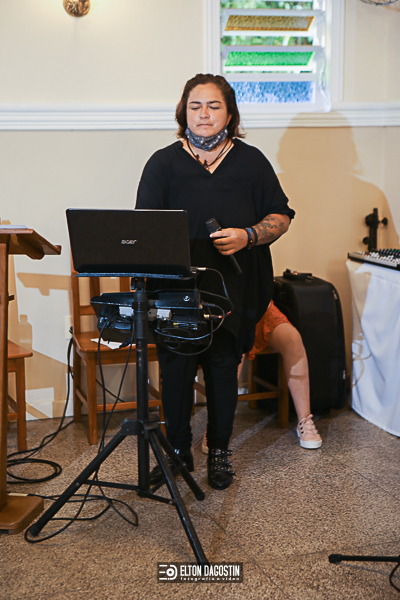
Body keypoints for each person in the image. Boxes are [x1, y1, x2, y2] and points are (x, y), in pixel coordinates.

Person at [136, 73, 295, 490]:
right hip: (175, 289)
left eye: (213, 105)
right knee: (176, 373)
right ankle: (178, 451)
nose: (203, 114)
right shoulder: (162, 163)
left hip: (234, 289)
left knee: (223, 371)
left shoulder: (252, 161)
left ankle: (219, 451)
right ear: (183, 112)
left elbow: (281, 216)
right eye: (195, 106)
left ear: (229, 113)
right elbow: (144, 226)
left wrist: (249, 235)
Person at [201, 300, 322, 454]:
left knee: (293, 339)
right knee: (234, 349)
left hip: (261, 310)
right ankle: (215, 425)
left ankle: (305, 420)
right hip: (229, 311)